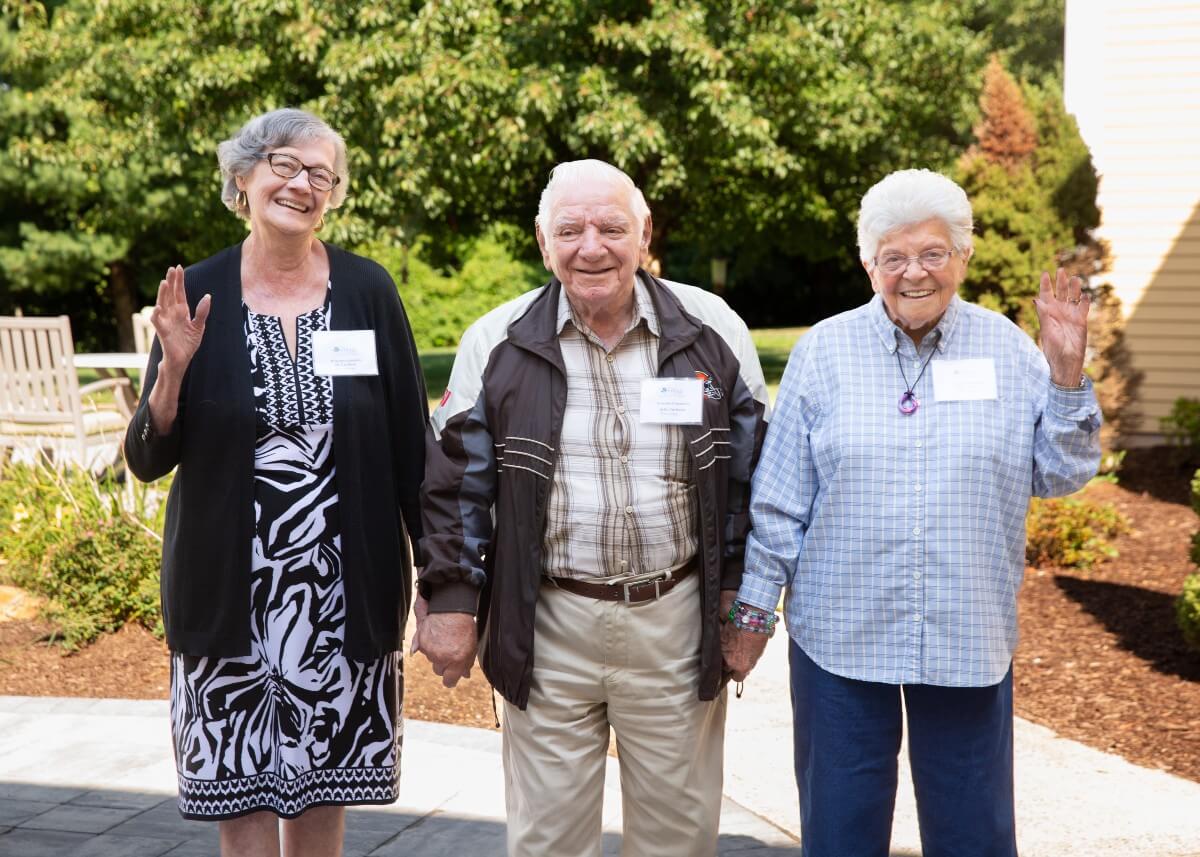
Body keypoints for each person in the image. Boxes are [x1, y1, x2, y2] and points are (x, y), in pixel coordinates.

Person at [723, 169, 1102, 857]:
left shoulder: (1011, 351)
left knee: (973, 834)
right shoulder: (824, 352)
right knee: (839, 831)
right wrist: (751, 617)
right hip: (840, 633)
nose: (914, 272)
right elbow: (778, 500)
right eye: (893, 256)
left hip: (965, 632)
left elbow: (1061, 472)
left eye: (932, 253)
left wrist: (1068, 374)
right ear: (869, 265)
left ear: (964, 255)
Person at [414, 159, 769, 857]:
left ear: (643, 235)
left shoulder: (711, 328)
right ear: (544, 244)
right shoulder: (497, 340)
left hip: (676, 620)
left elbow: (753, 480)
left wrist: (745, 605)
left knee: (677, 840)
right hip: (547, 624)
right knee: (547, 842)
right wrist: (453, 602)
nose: (591, 246)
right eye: (569, 230)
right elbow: (455, 486)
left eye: (611, 227)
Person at [123, 108, 427, 857]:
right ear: (244, 179)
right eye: (285, 166)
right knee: (245, 820)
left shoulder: (367, 291)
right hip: (229, 598)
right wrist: (174, 372)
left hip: (342, 598)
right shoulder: (195, 291)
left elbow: (413, 449)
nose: (301, 184)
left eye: (319, 175)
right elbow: (146, 455)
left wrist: (442, 587)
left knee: (321, 817)